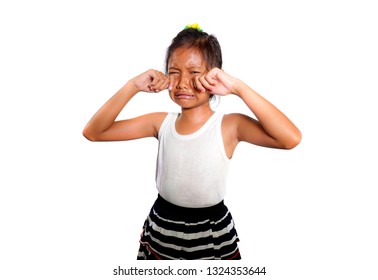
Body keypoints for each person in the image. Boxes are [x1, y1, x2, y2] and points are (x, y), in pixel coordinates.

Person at [82, 23, 302, 260]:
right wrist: (132, 86)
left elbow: (290, 138)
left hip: (211, 231)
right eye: (174, 72)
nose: (183, 82)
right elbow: (94, 132)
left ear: (215, 76)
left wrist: (238, 88)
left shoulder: (230, 126)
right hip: (162, 228)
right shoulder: (160, 123)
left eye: (194, 72)